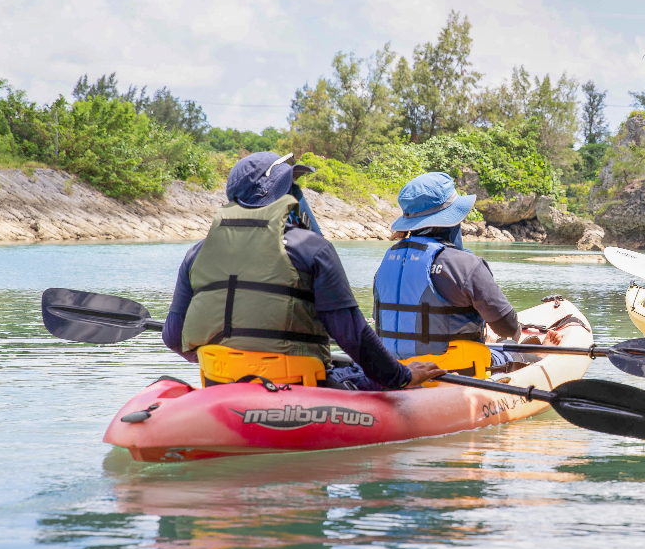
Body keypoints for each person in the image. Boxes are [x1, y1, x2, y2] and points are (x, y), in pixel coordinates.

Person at [162, 151, 443, 389]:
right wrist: (402, 376)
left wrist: (235, 359)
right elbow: (352, 335)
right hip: (296, 384)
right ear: (282, 193)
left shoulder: (196, 253)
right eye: (292, 185)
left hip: (219, 381)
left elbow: (174, 338)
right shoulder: (311, 247)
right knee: (365, 372)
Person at [372, 171, 560, 366]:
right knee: (518, 353)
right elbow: (509, 328)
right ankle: (542, 354)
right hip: (450, 371)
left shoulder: (385, 264)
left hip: (393, 368)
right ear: (452, 218)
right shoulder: (465, 264)